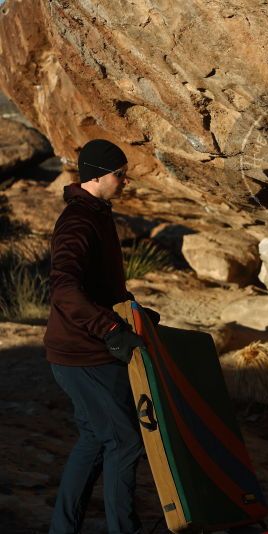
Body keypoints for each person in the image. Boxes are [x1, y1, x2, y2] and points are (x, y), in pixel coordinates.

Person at [44, 139, 159, 534]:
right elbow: (64, 289)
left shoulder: (96, 214)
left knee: (95, 437)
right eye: (119, 174)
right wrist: (110, 329)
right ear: (97, 175)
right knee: (125, 442)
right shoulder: (78, 221)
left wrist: (131, 311)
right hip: (84, 355)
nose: (125, 181)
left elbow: (101, 285)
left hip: (81, 351)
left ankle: (63, 527)